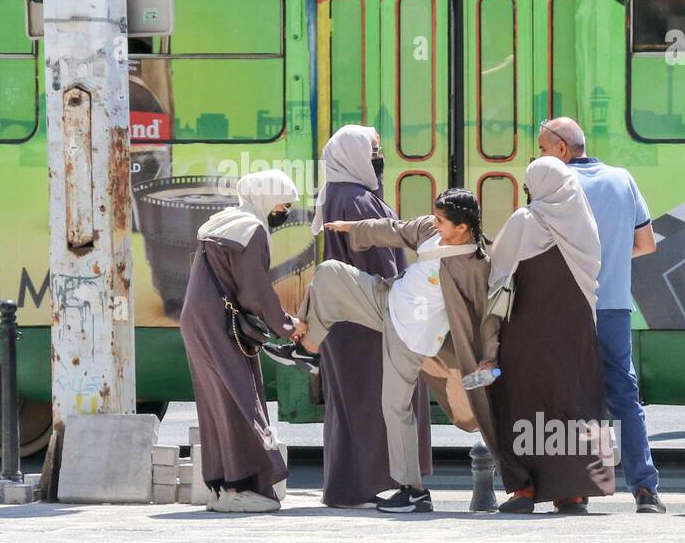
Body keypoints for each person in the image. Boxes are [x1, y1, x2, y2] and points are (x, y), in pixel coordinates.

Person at [267, 189, 498, 515]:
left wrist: (488, 355)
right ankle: (307, 349)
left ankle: (413, 491)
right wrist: (352, 228)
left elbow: (487, 315)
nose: (435, 222)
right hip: (386, 299)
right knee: (330, 273)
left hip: (412, 337)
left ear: (462, 228)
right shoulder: (431, 231)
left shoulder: (476, 264)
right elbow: (395, 229)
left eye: (442, 220)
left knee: (395, 408)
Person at [539, 117, 666, 514]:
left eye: (542, 149)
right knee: (625, 397)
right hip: (613, 305)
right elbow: (646, 244)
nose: (540, 158)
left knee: (572, 396)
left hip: (567, 307)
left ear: (561, 149)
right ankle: (645, 490)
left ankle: (575, 491)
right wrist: (609, 258)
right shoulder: (622, 179)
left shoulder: (554, 185)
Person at [311, 125, 433, 508]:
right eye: (374, 150)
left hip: (345, 324)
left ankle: (348, 486)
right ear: (354, 155)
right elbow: (381, 264)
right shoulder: (358, 200)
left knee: (351, 407)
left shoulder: (336, 193)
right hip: (371, 323)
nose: (379, 157)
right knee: (381, 403)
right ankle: (390, 484)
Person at [488, 156, 616, 515]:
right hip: (576, 330)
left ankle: (524, 489)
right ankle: (574, 492)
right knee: (576, 403)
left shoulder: (526, 220)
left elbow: (497, 270)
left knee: (521, 403)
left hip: (527, 332)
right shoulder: (584, 222)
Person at [179, 169, 299, 514]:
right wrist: (287, 325)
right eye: (282, 202)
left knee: (216, 401)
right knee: (240, 401)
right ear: (267, 197)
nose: (284, 210)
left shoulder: (224, 221)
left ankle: (219, 487)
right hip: (220, 323)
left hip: (199, 318)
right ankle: (238, 486)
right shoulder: (252, 230)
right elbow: (254, 290)